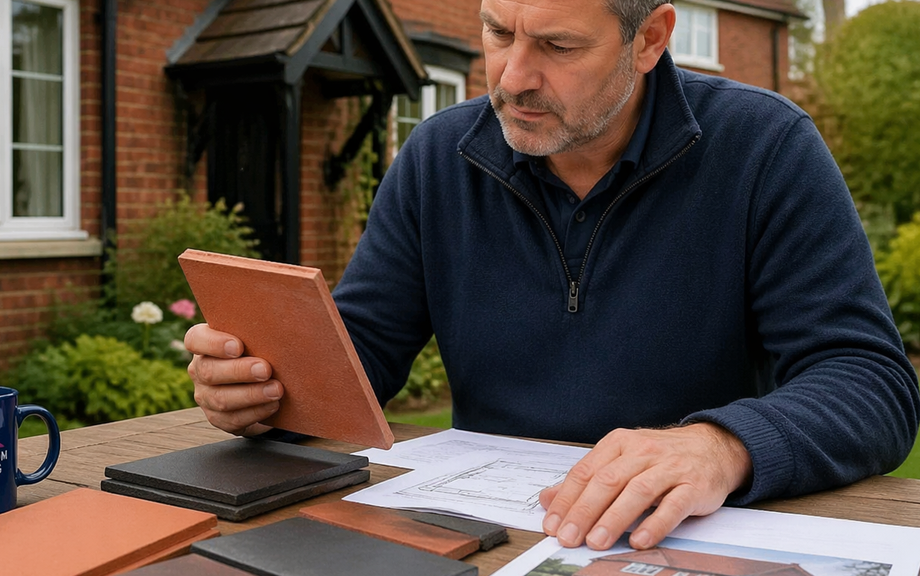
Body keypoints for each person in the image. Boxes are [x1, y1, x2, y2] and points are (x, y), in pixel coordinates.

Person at [185, 0, 920, 553]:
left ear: (650, 40)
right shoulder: (440, 156)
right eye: (498, 32)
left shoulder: (766, 149)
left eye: (558, 45)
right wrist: (264, 385)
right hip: (479, 538)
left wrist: (722, 445)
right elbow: (362, 354)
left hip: (676, 543)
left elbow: (869, 381)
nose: (512, 77)